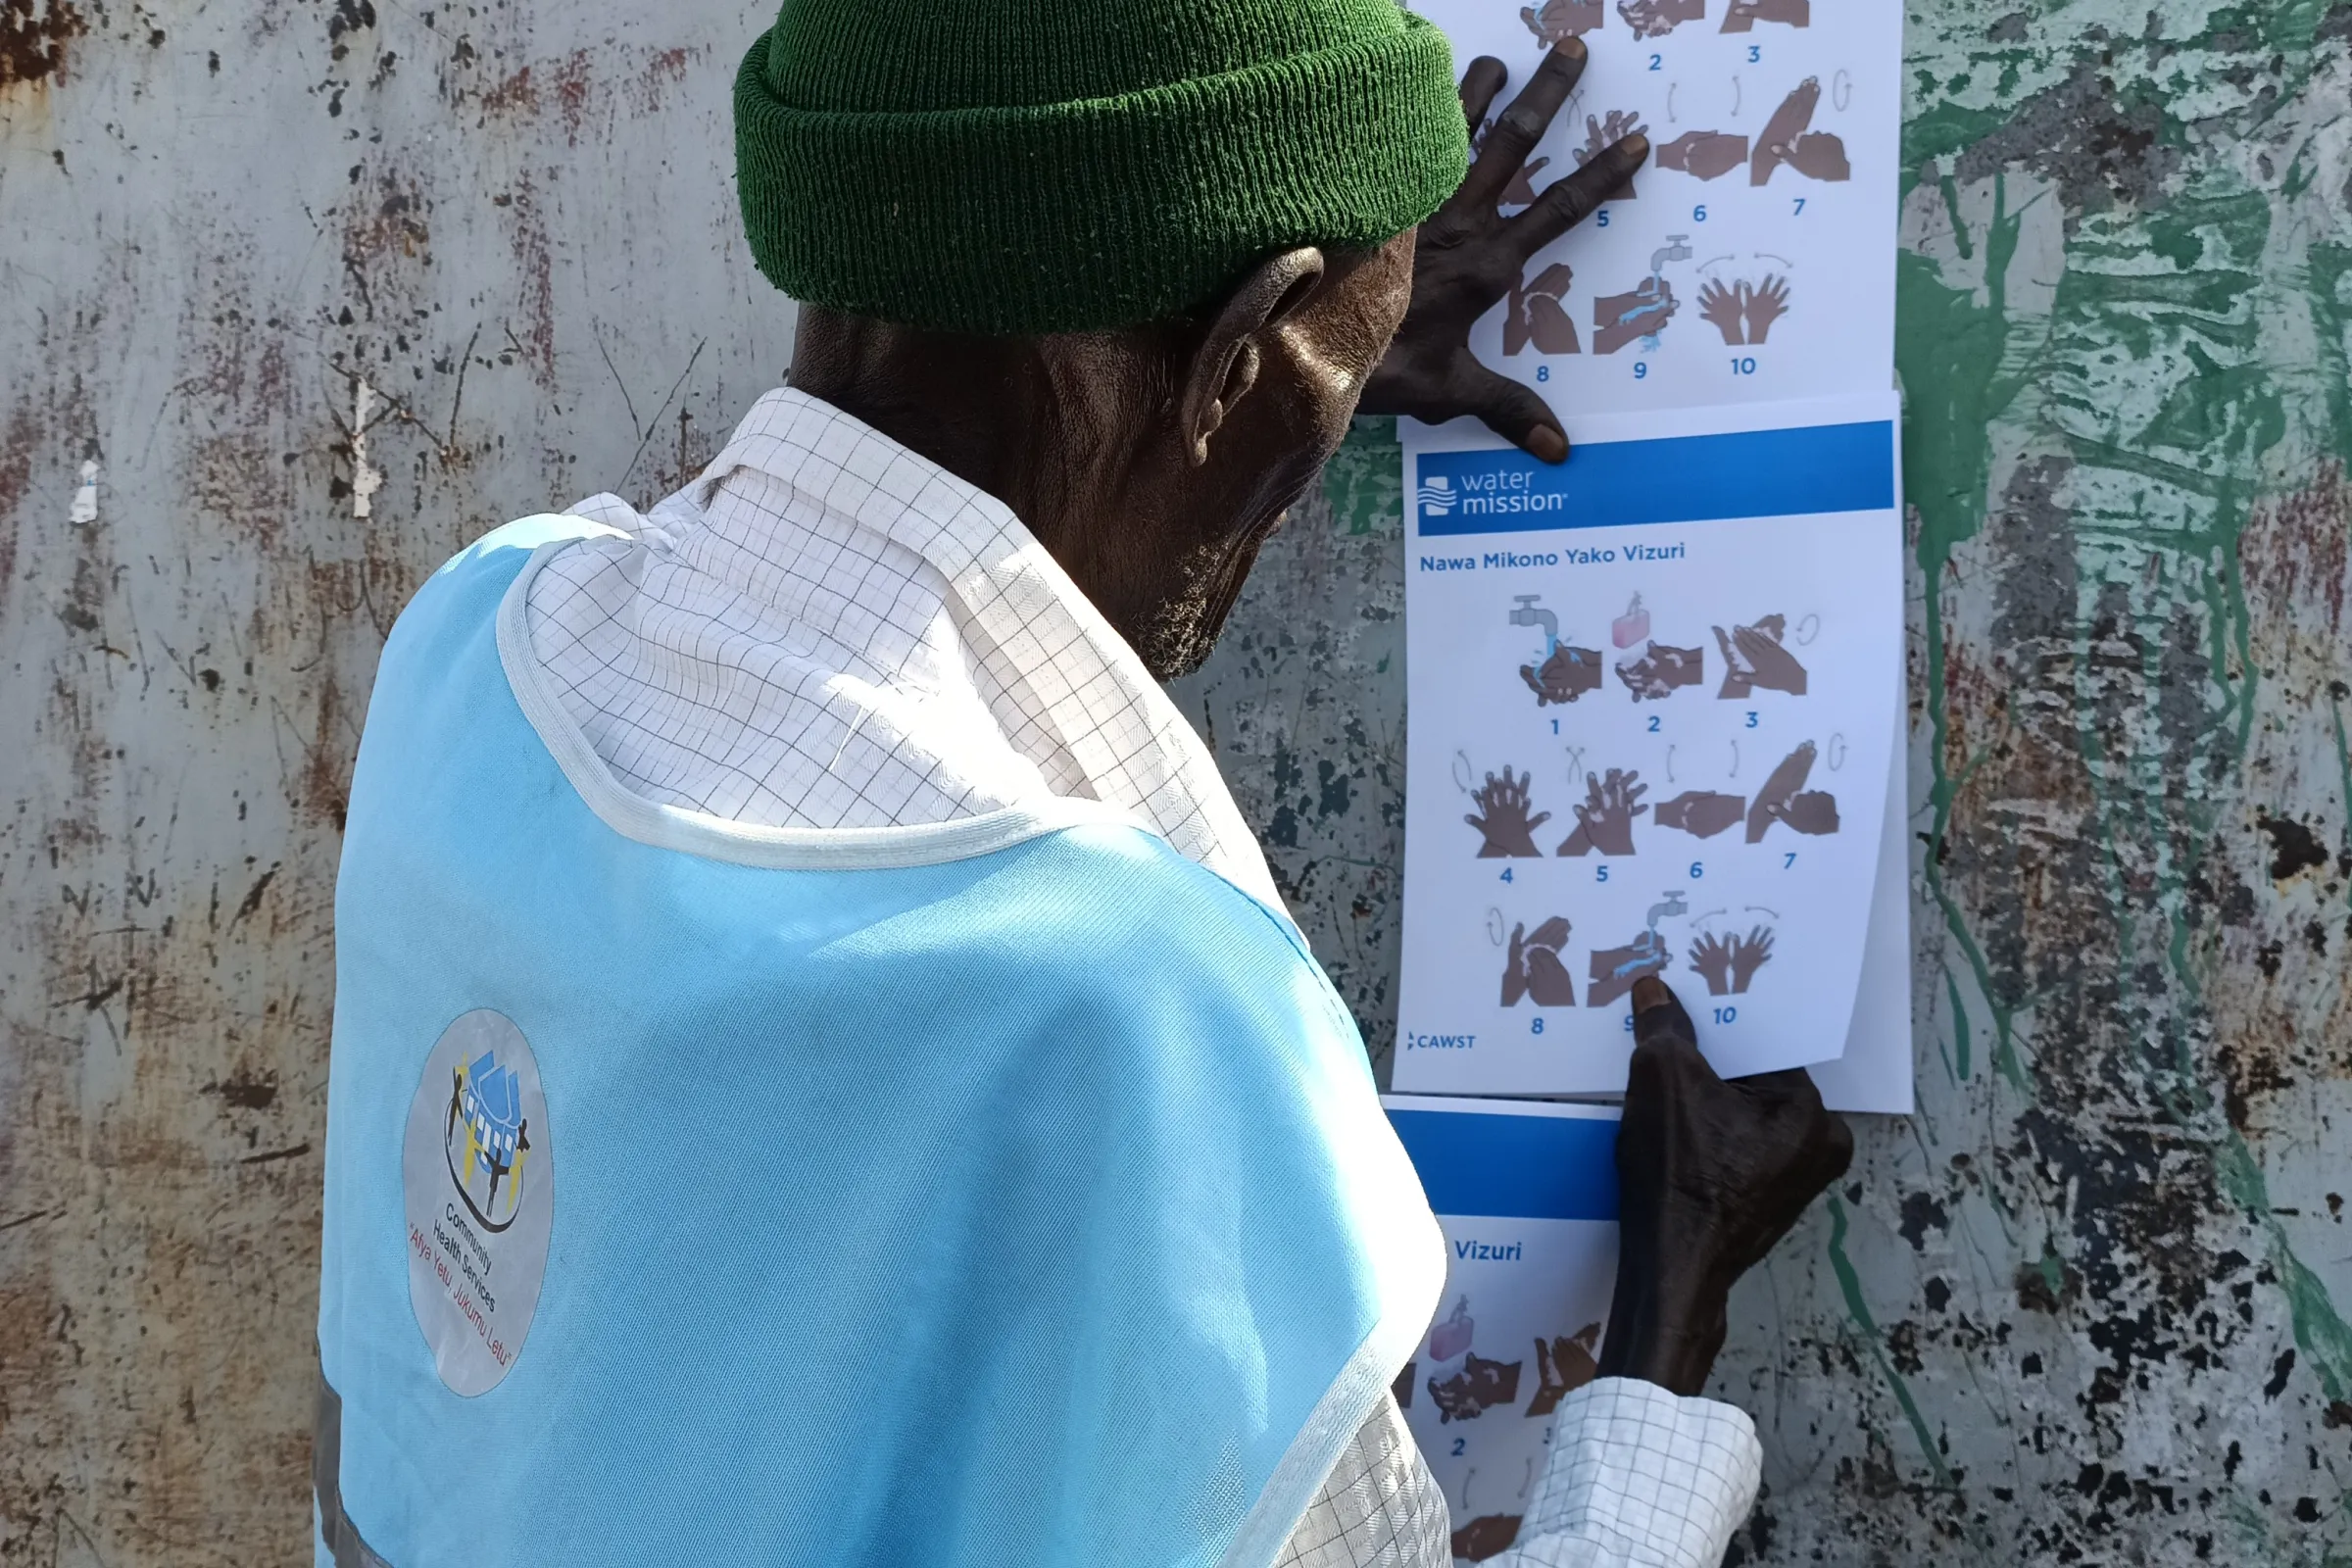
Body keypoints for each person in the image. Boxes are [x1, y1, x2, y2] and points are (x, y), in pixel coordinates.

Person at [311, 4, 1855, 1565]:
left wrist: (1278, 371)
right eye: (1321, 385)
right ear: (1238, 355)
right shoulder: (1124, 1022)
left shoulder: (472, 645)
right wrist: (1672, 1314)